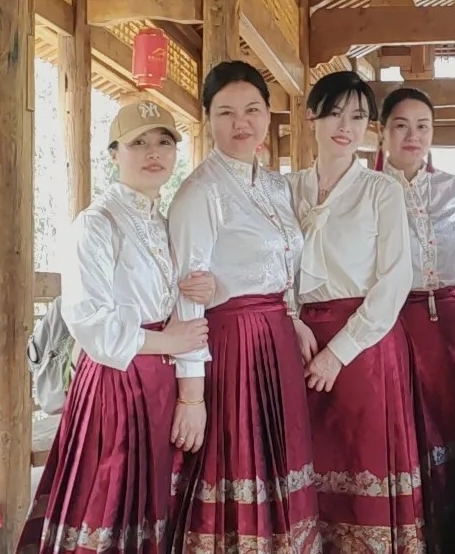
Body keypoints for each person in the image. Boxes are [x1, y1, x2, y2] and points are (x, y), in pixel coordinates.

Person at [18, 101, 214, 553]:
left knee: (151, 503)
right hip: (115, 381)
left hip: (159, 380)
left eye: (163, 142)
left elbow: (176, 296)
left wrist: (205, 286)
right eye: (138, 143)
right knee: (108, 499)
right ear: (114, 154)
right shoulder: (96, 223)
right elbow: (89, 319)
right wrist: (168, 340)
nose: (153, 152)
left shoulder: (164, 224)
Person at [168, 61, 321, 551]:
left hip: (277, 339)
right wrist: (191, 398)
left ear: (268, 114)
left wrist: (292, 317)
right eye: (226, 112)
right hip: (232, 345)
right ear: (208, 119)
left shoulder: (276, 185)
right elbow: (187, 299)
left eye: (252, 110)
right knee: (237, 461)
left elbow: (283, 265)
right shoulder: (199, 192)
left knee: (280, 463)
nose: (242, 123)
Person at [286, 71, 425, 552]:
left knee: (361, 461)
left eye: (358, 117)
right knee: (304, 461)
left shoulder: (381, 190)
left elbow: (395, 280)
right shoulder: (287, 189)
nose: (345, 126)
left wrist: (338, 352)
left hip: (364, 345)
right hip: (299, 341)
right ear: (312, 117)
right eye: (334, 113)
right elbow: (270, 267)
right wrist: (290, 319)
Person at [376, 86, 455, 554]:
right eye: (401, 125)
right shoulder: (368, 189)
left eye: (423, 126)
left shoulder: (453, 187)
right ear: (382, 132)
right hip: (398, 324)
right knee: (412, 433)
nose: (413, 136)